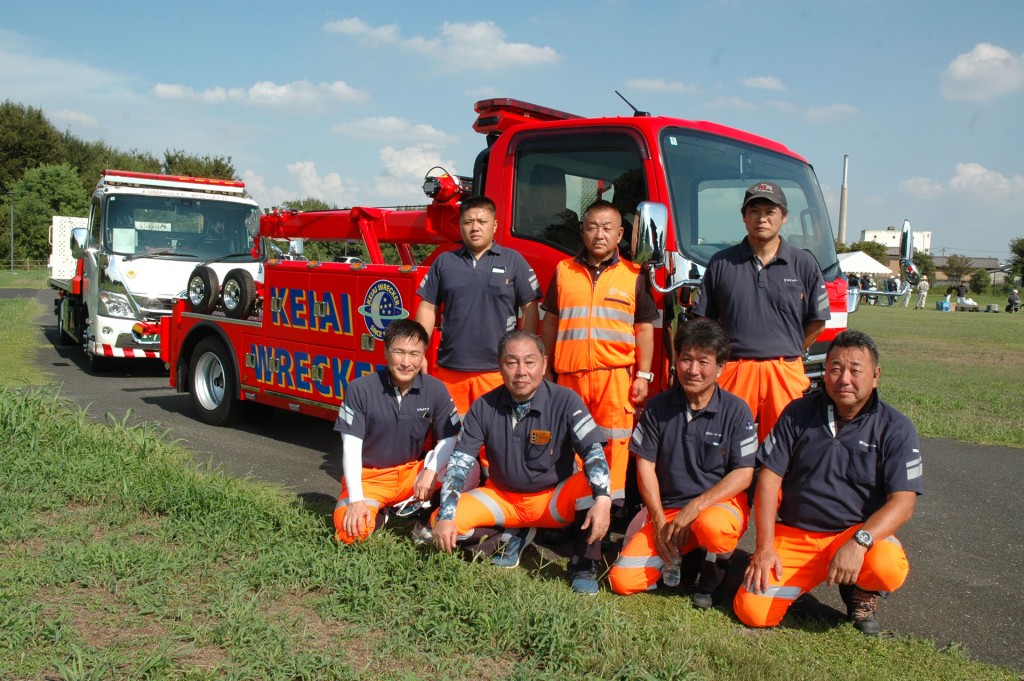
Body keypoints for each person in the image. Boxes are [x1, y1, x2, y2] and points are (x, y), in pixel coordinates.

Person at [733, 329, 923, 636]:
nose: (844, 378)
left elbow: (904, 502)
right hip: (796, 535)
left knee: (887, 565)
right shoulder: (797, 413)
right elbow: (768, 478)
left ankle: (860, 590)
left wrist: (858, 544)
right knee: (753, 611)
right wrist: (764, 547)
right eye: (835, 368)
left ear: (875, 376)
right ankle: (798, 575)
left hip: (852, 535)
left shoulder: (896, 427)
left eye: (855, 370)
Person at [430, 331, 613, 595]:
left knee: (594, 486)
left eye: (530, 362)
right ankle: (506, 536)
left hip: (552, 502)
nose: (521, 371)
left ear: (544, 363)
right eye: (511, 362)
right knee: (441, 522)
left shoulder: (566, 400)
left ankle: (583, 565)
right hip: (502, 497)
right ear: (500, 365)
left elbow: (593, 451)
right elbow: (460, 462)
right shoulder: (483, 406)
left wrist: (604, 500)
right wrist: (447, 516)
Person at [608, 320, 756, 609]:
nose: (693, 369)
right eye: (686, 359)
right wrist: (660, 519)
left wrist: (696, 507)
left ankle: (712, 582)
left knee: (714, 527)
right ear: (677, 361)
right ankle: (687, 559)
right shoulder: (657, 407)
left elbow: (744, 473)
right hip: (670, 510)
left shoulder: (737, 410)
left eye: (703, 361)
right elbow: (645, 466)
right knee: (622, 581)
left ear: (721, 368)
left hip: (717, 506)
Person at [540, 200, 659, 503]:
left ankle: (609, 506)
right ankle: (572, 506)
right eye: (592, 227)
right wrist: (547, 367)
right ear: (582, 231)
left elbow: (644, 330)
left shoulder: (635, 275)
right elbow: (551, 322)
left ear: (620, 235)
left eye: (607, 228)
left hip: (615, 379)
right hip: (570, 378)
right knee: (570, 441)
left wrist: (643, 375)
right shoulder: (564, 271)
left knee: (614, 444)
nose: (599, 234)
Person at [693, 181, 830, 442]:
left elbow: (817, 322)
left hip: (784, 372)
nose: (762, 219)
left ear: (784, 217)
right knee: (723, 443)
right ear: (744, 217)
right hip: (734, 369)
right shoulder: (721, 263)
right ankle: (733, 485)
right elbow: (705, 322)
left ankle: (775, 486)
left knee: (783, 448)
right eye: (754, 211)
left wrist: (790, 349)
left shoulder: (804, 263)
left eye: (770, 212)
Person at [332, 320, 462, 543]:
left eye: (414, 354)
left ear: (423, 356)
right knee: (350, 532)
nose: (406, 362)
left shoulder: (435, 389)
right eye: (399, 352)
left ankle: (425, 520)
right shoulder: (360, 388)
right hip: (370, 479)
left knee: (468, 469)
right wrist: (356, 500)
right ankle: (380, 513)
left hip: (411, 474)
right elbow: (350, 448)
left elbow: (450, 437)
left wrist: (431, 470)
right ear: (386, 352)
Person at [415, 196, 542, 418]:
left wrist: (525, 355)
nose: (475, 228)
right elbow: (427, 308)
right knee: (450, 436)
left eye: (482, 222)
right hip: (451, 369)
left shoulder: (514, 261)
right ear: (460, 226)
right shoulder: (444, 262)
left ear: (494, 225)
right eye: (468, 222)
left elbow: (530, 307)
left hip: (499, 370)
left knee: (494, 441)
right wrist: (418, 352)